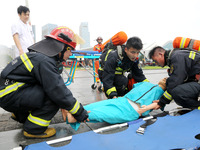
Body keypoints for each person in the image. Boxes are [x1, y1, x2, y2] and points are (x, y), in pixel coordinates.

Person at [0, 26, 88, 138]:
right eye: (70, 50)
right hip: (9, 95)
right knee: (53, 97)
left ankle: (20, 114)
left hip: (9, 92)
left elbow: (55, 85)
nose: (71, 54)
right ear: (62, 48)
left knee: (54, 93)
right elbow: (58, 91)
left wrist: (65, 106)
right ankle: (33, 129)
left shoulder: (41, 58)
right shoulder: (44, 61)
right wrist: (80, 113)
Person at [62, 78, 166, 130]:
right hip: (129, 106)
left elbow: (133, 87)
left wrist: (145, 109)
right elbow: (158, 105)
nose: (164, 79)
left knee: (101, 110)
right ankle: (73, 114)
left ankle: (73, 114)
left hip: (126, 104)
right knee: (102, 111)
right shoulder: (160, 94)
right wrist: (145, 109)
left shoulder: (146, 84)